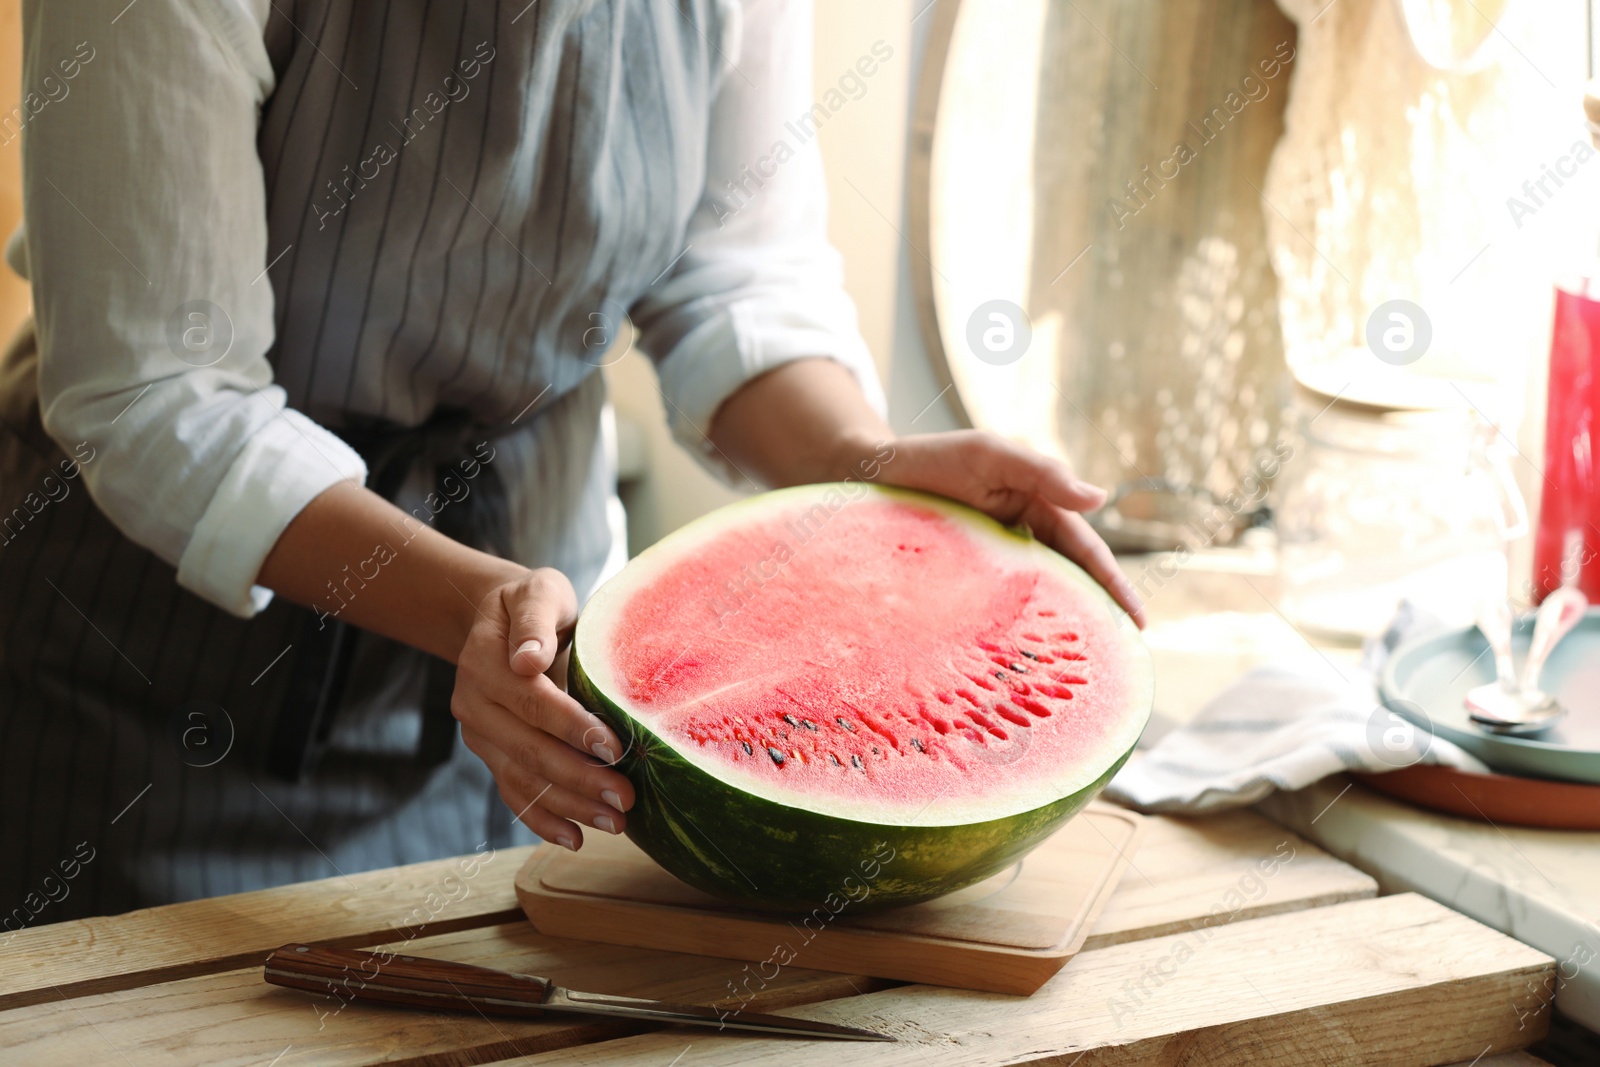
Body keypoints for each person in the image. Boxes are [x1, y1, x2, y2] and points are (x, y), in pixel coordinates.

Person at [0, 0, 1142, 929]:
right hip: (164, 681)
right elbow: (159, 391)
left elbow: (731, 281)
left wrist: (863, 459)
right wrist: (476, 605)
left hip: (544, 678)